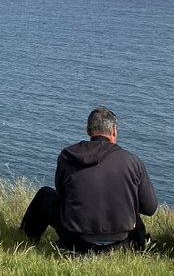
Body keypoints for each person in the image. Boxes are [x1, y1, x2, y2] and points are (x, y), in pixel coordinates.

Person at [20, 107, 158, 252]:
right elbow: (150, 208)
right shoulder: (132, 161)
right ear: (114, 132)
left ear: (88, 130)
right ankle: (137, 248)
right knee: (132, 207)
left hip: (76, 240)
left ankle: (28, 239)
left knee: (45, 195)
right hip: (119, 242)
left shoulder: (68, 156)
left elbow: (62, 195)